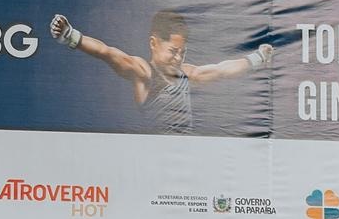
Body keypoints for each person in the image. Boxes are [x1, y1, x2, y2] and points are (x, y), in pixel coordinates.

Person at [50, 10, 273, 134]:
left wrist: (258, 58)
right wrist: (71, 36)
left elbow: (221, 70)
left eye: (182, 52)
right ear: (154, 43)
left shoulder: (186, 73)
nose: (178, 58)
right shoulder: (144, 72)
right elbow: (107, 52)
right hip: (154, 157)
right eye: (173, 51)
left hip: (183, 159)